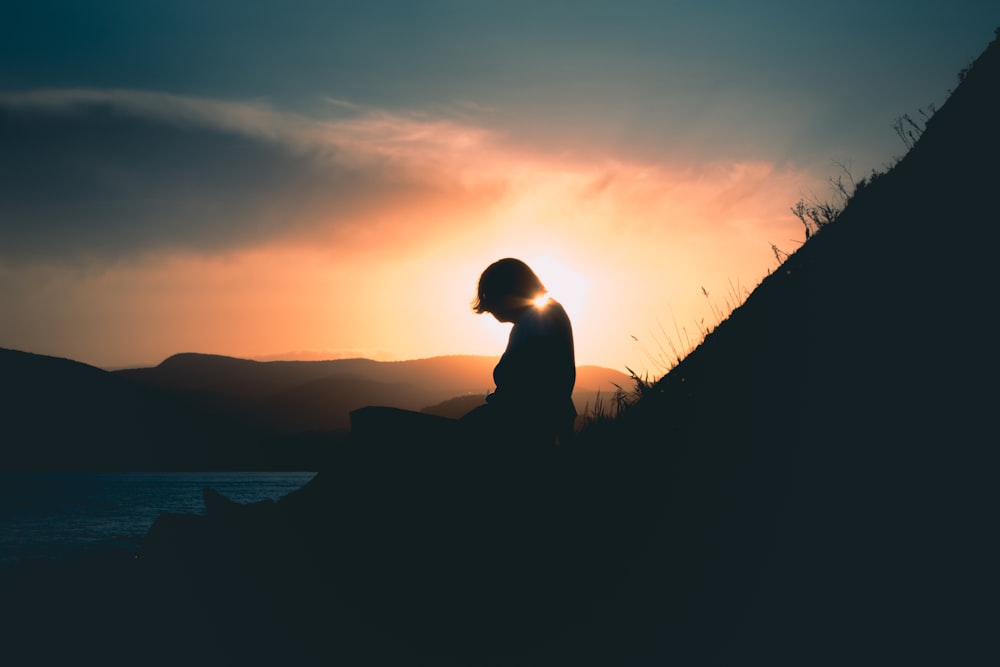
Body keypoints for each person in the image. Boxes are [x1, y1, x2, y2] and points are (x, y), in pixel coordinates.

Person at [460, 258, 577, 445]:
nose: (489, 308)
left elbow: (526, 390)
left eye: (490, 297)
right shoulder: (544, 315)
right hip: (538, 424)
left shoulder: (538, 318)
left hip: (521, 429)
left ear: (506, 291)